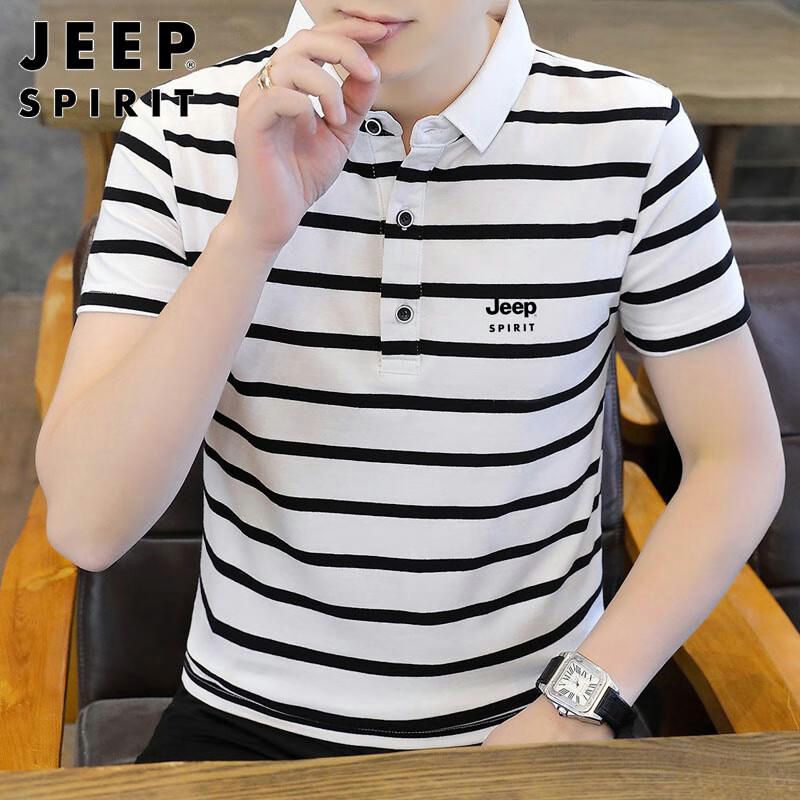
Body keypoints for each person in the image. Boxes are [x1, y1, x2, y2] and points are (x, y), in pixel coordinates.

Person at [36, 0, 782, 765]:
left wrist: (577, 704)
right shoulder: (178, 130)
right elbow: (90, 523)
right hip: (242, 720)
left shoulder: (634, 134)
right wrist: (249, 236)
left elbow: (737, 460)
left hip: (535, 718)